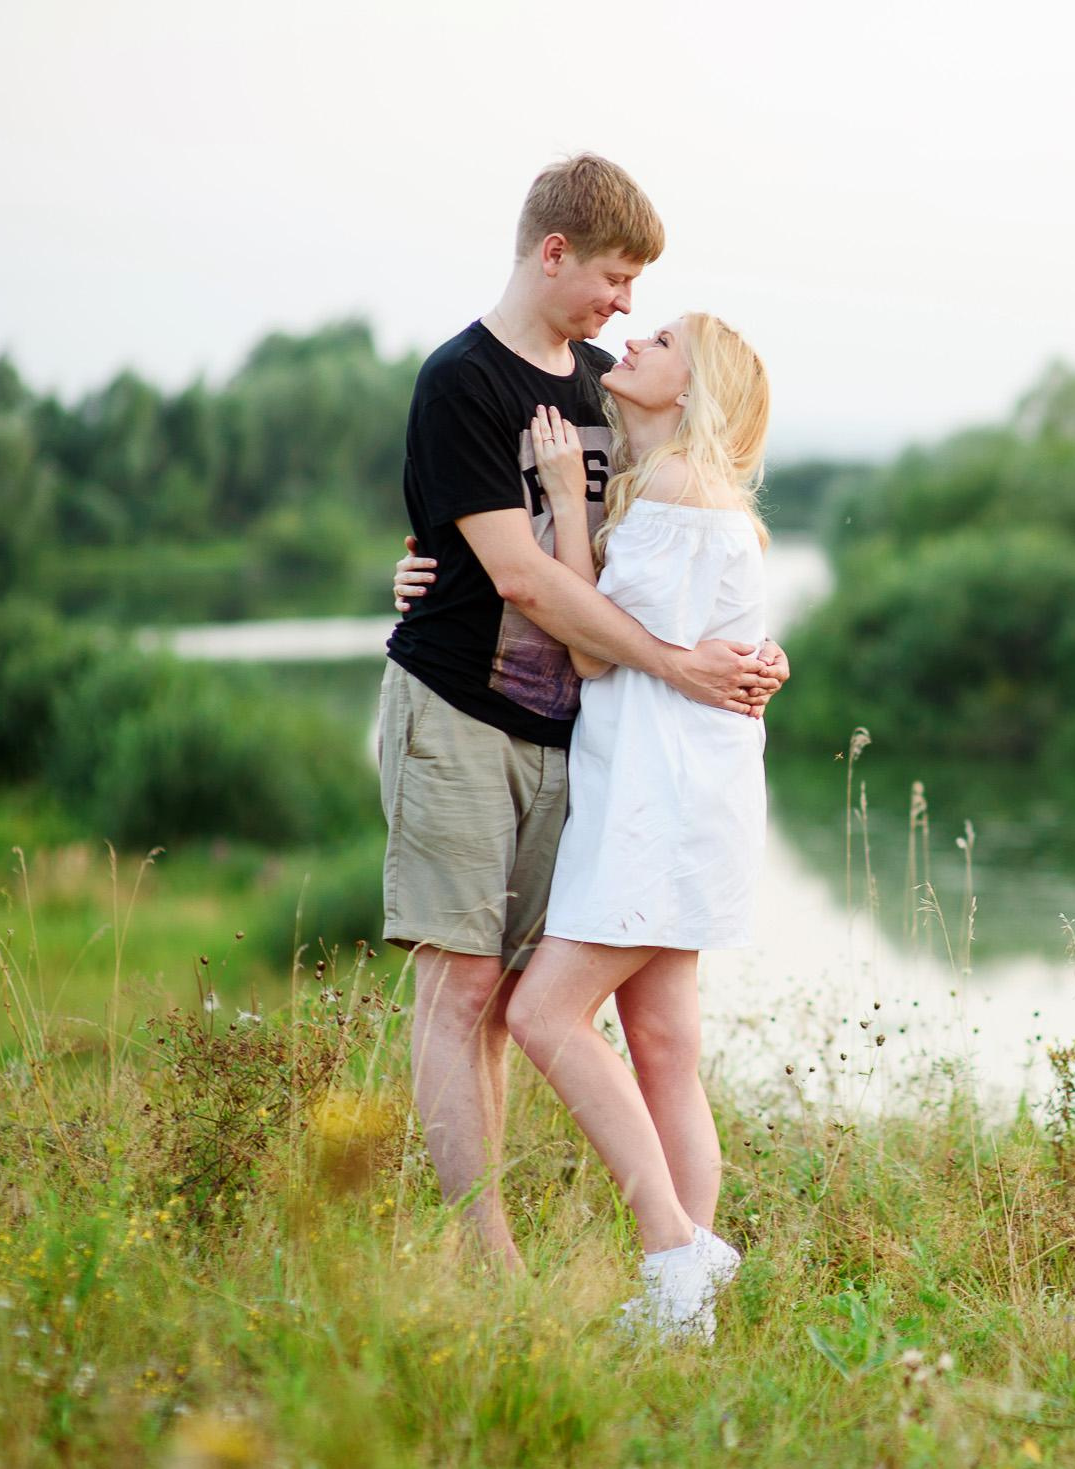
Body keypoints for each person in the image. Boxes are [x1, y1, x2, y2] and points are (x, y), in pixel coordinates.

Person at [379, 153, 788, 1285]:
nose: (626, 308)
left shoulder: (607, 382)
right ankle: (495, 1270)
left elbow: (679, 535)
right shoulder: (461, 381)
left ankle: (676, 1263)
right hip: (463, 712)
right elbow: (521, 575)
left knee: (527, 999)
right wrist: (683, 665)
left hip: (587, 744)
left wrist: (748, 645)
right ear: (551, 253)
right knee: (464, 987)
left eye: (639, 294)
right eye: (614, 278)